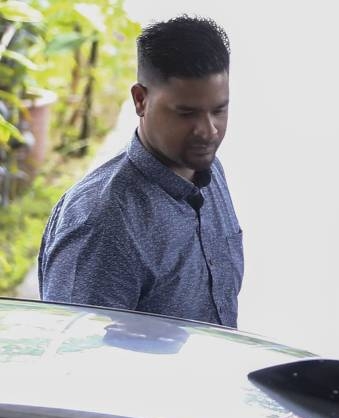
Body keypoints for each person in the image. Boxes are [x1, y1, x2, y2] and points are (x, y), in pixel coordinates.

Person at [38, 15, 243, 327]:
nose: (208, 130)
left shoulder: (210, 171)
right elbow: (74, 360)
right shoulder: (101, 222)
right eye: (186, 113)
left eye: (219, 110)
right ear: (140, 100)